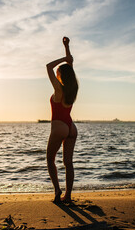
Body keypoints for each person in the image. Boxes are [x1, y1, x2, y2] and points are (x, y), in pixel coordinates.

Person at [46, 36, 78, 203]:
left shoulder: (58, 89)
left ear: (60, 75)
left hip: (59, 127)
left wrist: (64, 58)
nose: (56, 72)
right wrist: (66, 47)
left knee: (50, 161)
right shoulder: (71, 87)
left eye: (59, 71)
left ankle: (58, 191)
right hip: (71, 127)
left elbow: (48, 66)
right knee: (68, 163)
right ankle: (69, 196)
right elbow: (70, 67)